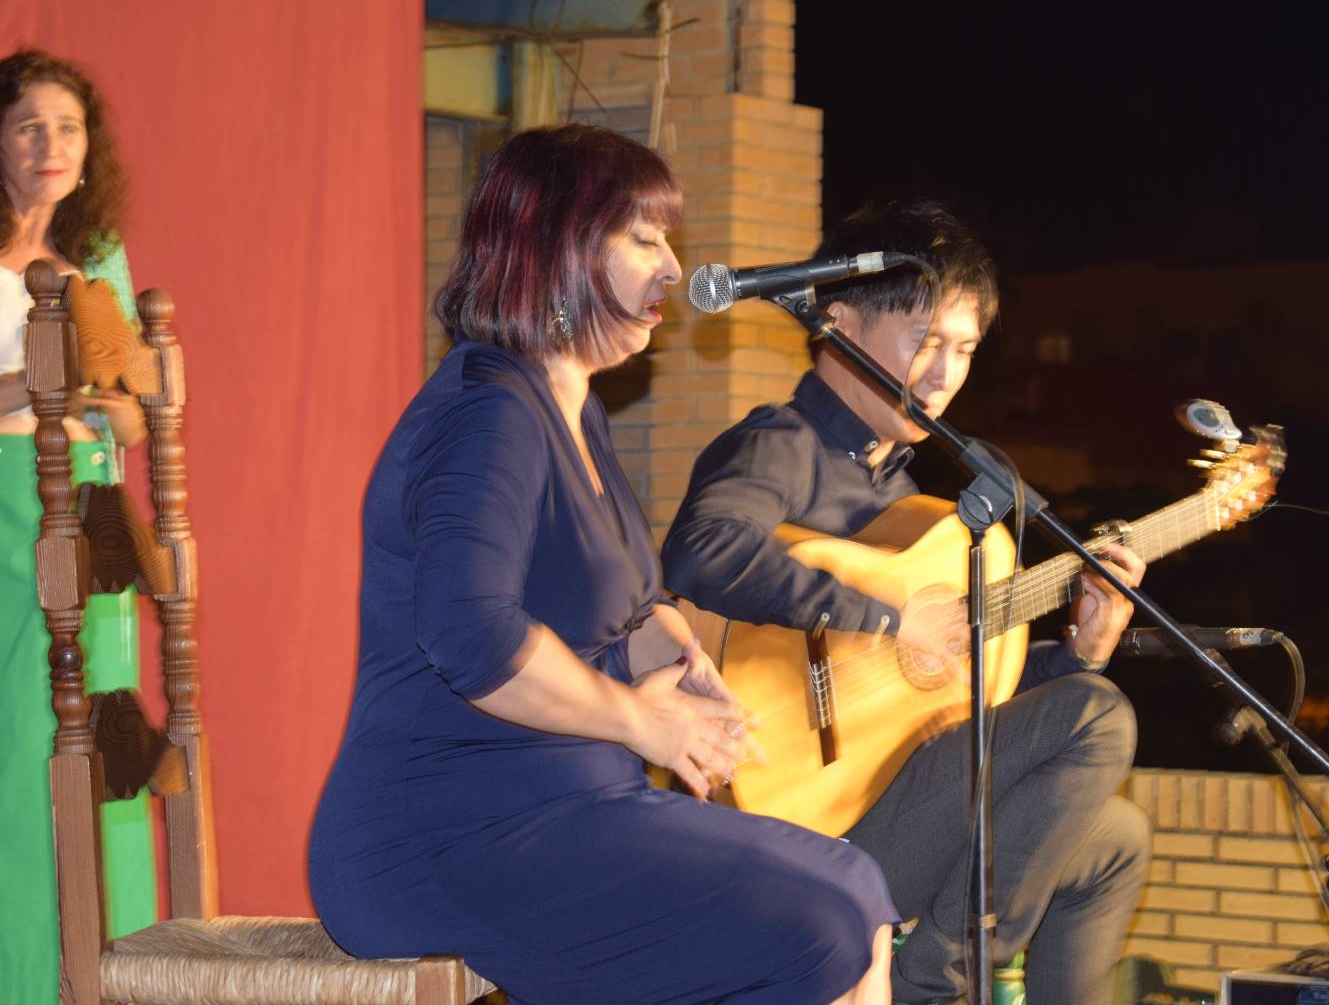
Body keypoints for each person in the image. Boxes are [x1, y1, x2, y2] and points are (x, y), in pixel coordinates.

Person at [309, 124, 897, 1005]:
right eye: (644, 239)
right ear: (560, 247)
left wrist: (681, 660)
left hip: (566, 804)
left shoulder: (573, 409)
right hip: (450, 831)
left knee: (858, 888)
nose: (673, 268)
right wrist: (639, 720)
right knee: (821, 924)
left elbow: (625, 601)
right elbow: (472, 637)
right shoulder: (488, 414)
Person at [661, 202, 1153, 1005]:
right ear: (838, 321)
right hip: (798, 822)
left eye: (963, 348)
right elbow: (700, 550)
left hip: (895, 805)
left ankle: (943, 967)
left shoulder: (909, 502)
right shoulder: (779, 445)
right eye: (924, 340)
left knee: (1116, 839)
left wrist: (1080, 652)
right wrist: (885, 616)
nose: (943, 373)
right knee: (1099, 718)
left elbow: (956, 704)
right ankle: (931, 979)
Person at [0, 48, 154, 1005]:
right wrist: (40, 385)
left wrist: (109, 391)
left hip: (91, 511)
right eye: (28, 127)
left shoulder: (99, 260)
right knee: (22, 742)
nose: (50, 145)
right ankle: (22, 974)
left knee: (102, 740)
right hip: (7, 504)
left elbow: (136, 419)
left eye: (68, 127)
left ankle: (108, 970)